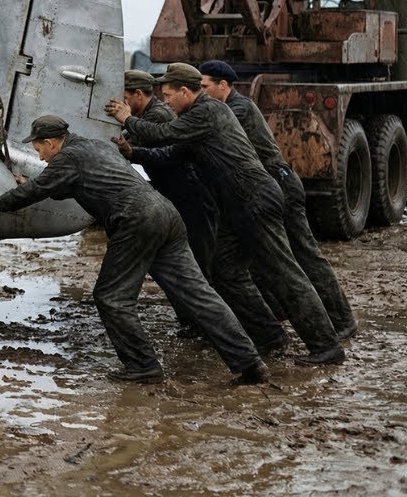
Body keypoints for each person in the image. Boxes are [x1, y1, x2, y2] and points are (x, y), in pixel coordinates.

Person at [0, 114, 269, 385]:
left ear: (50, 142)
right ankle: (249, 362)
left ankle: (143, 366)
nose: (39, 155)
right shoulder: (93, 147)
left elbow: (40, 188)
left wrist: (0, 201)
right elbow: (63, 185)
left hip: (135, 220)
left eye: (38, 149)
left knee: (112, 297)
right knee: (198, 293)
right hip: (166, 214)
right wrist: (32, 184)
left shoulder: (67, 158)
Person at [105, 64, 345, 366]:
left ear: (184, 91)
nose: (164, 101)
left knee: (283, 272)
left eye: (167, 96)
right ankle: (269, 335)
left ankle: (326, 345)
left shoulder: (208, 112)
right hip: (235, 205)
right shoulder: (193, 121)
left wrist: (126, 118)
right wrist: (132, 152)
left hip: (255, 199)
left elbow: (163, 133)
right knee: (224, 271)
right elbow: (169, 153)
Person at [198, 59, 358, 340]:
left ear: (223, 85)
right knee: (256, 262)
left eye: (204, 87)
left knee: (305, 255)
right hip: (261, 191)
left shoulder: (238, 110)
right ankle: (277, 317)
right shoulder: (226, 108)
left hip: (280, 185)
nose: (201, 93)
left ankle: (342, 319)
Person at [122, 69, 219, 284]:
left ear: (139, 94)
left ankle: (208, 309)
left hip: (188, 194)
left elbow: (143, 145)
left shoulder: (156, 115)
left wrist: (127, 145)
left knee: (199, 258)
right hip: (178, 192)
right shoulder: (146, 115)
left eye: (125, 99)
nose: (166, 102)